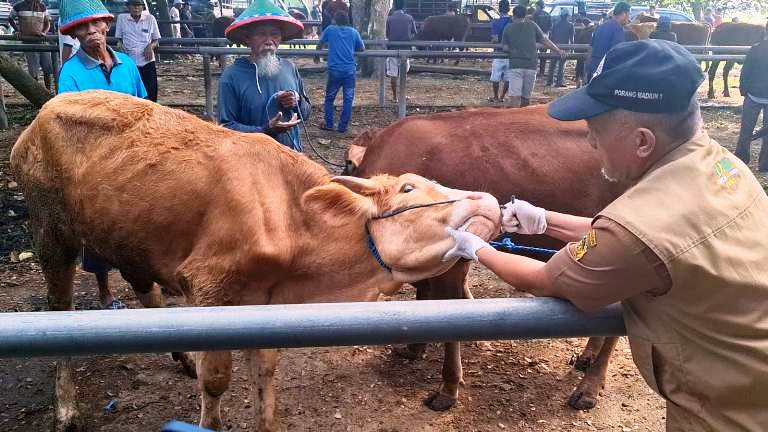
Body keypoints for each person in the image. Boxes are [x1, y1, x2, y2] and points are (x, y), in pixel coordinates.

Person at [443, 39, 768, 431]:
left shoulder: (641, 224)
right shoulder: (721, 164)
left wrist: (476, 246)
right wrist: (544, 220)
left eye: (595, 130)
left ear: (642, 141)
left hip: (731, 410)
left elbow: (542, 279)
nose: (590, 142)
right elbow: (647, 241)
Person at [57, 0, 147, 309]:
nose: (92, 30)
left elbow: (144, 106)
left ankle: (148, 278)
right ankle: (105, 291)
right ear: (74, 34)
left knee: (142, 220)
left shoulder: (128, 65)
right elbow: (69, 123)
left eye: (96, 23)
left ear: (107, 25)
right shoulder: (70, 73)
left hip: (134, 157)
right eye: (82, 27)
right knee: (98, 228)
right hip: (95, 163)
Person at [218, 0, 311, 151]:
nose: (269, 41)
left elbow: (306, 114)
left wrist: (298, 101)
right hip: (253, 158)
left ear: (281, 38)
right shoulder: (231, 76)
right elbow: (226, 127)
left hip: (292, 156)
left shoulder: (289, 67)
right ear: (247, 38)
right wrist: (266, 130)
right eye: (261, 34)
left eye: (274, 34)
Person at [501, 5, 565, 108]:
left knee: (514, 97)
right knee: (526, 98)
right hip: (531, 65)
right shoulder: (532, 25)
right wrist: (558, 50)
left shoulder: (508, 28)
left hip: (516, 65)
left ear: (514, 15)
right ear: (525, 15)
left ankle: (514, 116)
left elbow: (504, 47)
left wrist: (515, 48)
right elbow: (544, 39)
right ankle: (525, 116)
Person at [318, 11, 364, 133]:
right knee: (348, 99)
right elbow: (362, 48)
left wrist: (317, 55)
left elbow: (320, 43)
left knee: (329, 98)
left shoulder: (330, 29)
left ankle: (329, 124)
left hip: (335, 70)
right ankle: (342, 126)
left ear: (335, 20)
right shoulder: (353, 32)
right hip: (349, 70)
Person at [735, 22, 768, 172]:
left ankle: (741, 160)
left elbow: (745, 72)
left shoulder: (755, 49)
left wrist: (744, 91)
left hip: (753, 95)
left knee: (746, 131)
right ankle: (765, 165)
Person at [115, 0, 161, 102]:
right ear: (128, 7)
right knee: (130, 91)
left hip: (147, 60)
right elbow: (119, 39)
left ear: (143, 7)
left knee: (150, 92)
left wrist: (150, 46)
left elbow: (156, 40)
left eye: (139, 5)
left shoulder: (150, 19)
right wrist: (120, 45)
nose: (136, 8)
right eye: (133, 5)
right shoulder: (122, 18)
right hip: (129, 61)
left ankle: (150, 110)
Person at [9, 0, 53, 90]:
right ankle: (36, 91)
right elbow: (10, 18)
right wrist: (17, 30)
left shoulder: (42, 7)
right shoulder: (18, 6)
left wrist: (44, 32)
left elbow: (47, 22)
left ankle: (48, 90)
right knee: (33, 70)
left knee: (47, 68)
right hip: (28, 41)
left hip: (42, 41)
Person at [586, 1, 629, 82]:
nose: (629, 18)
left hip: (593, 69)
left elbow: (590, 49)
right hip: (606, 72)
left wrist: (588, 69)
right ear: (623, 14)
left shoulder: (600, 27)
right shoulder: (618, 29)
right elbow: (616, 53)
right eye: (628, 15)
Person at [385, 0, 416, 103]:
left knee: (393, 74)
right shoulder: (409, 18)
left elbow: (387, 34)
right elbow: (414, 33)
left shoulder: (389, 19)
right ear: (403, 7)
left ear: (394, 5)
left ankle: (395, 97)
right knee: (403, 73)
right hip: (405, 49)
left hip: (393, 49)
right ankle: (402, 95)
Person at [489, 0, 511, 102]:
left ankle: (496, 96)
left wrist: (491, 41)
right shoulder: (513, 22)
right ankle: (502, 96)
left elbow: (495, 39)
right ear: (509, 9)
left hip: (499, 52)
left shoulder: (496, 23)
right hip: (511, 54)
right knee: (508, 77)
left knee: (495, 76)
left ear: (499, 9)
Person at [546, 8, 574, 87]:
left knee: (552, 65)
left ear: (561, 16)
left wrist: (551, 47)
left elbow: (551, 37)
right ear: (567, 16)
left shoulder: (555, 24)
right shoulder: (570, 25)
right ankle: (558, 82)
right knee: (561, 66)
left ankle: (549, 82)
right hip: (564, 48)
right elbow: (572, 39)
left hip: (554, 47)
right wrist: (572, 49)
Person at [532, 0, 552, 74]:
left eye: (536, 6)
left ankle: (534, 70)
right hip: (545, 37)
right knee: (543, 55)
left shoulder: (535, 14)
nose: (535, 7)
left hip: (535, 37)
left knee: (533, 54)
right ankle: (542, 72)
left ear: (539, 6)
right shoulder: (548, 14)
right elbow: (550, 27)